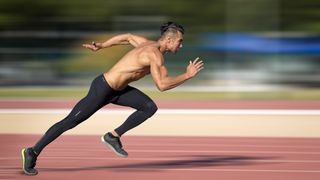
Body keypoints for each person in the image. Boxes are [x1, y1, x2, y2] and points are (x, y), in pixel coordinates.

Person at [21, 22, 204, 175]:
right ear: (169, 39)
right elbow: (162, 85)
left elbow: (127, 36)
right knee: (70, 121)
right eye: (180, 41)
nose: (181, 45)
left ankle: (113, 136)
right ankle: (32, 151)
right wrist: (187, 75)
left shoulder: (146, 44)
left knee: (149, 107)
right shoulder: (153, 55)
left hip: (119, 90)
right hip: (102, 88)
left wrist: (102, 45)